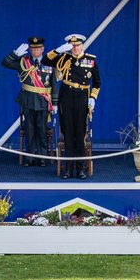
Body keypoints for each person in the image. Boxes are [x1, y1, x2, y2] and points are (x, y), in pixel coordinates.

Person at [45, 34, 100, 179]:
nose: (75, 48)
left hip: (82, 97)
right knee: (68, 132)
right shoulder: (64, 58)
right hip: (67, 97)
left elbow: (97, 82)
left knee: (80, 134)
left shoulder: (90, 60)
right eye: (72, 46)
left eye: (77, 45)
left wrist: (93, 98)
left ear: (82, 45)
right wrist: (58, 51)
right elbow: (45, 60)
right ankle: (68, 169)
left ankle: (80, 168)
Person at [2, 36, 55, 166]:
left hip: (43, 101)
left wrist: (54, 102)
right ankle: (30, 157)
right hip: (28, 100)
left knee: (41, 129)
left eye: (37, 49)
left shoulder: (49, 62)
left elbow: (54, 84)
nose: (35, 51)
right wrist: (15, 54)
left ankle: (42, 157)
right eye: (32, 49)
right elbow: (5, 63)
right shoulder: (23, 62)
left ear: (42, 49)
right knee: (30, 130)